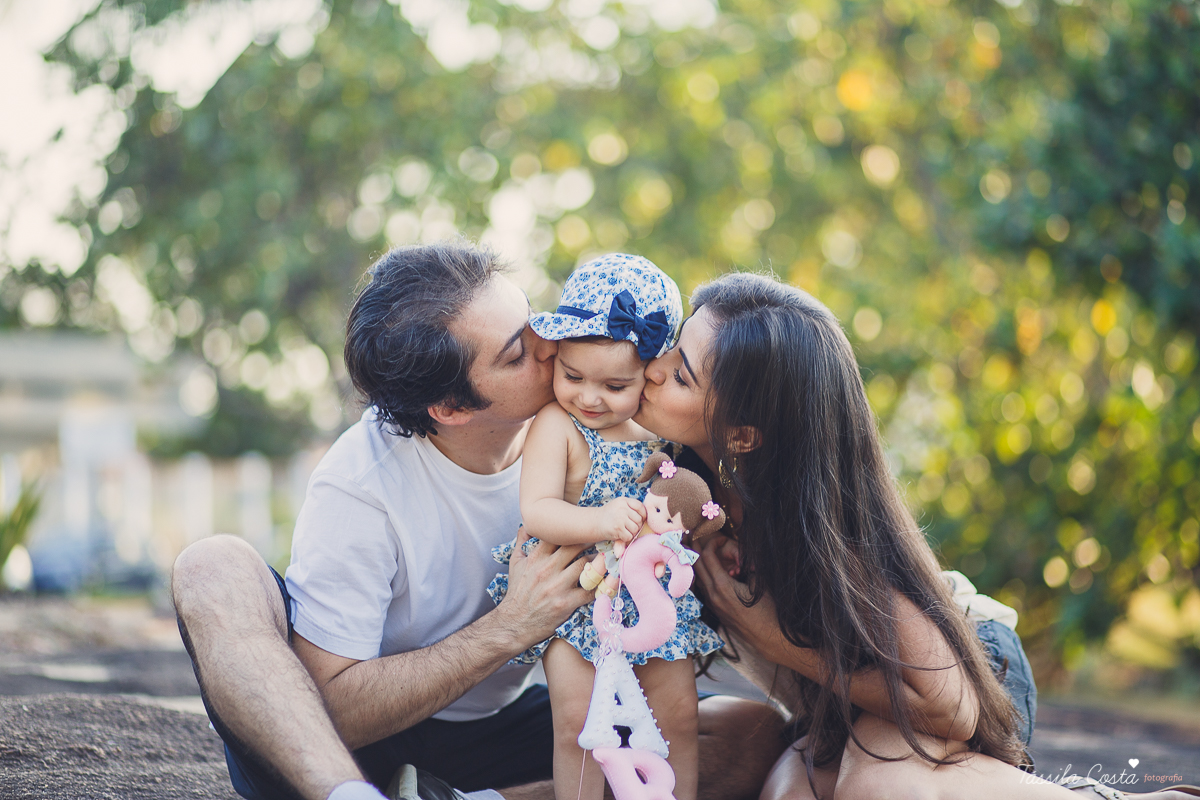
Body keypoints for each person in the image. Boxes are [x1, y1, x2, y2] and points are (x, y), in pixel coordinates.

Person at [170, 244, 786, 800]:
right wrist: (510, 627)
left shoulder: (595, 410)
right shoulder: (360, 484)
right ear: (452, 407)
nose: (554, 347)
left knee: (748, 732)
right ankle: (347, 798)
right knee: (210, 567)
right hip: (350, 742)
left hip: (498, 730)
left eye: (536, 320)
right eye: (519, 351)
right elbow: (336, 705)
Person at [632, 271, 1200, 800]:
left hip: (963, 670)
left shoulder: (815, 520)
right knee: (783, 786)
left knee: (874, 780)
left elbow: (950, 707)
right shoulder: (672, 480)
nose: (652, 370)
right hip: (842, 708)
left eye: (682, 373)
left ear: (744, 434)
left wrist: (772, 639)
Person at [487, 254, 723, 800]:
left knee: (678, 718)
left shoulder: (657, 432)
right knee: (580, 725)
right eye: (572, 377)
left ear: (651, 373)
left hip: (654, 598)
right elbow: (538, 511)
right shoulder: (557, 424)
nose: (589, 398)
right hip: (579, 598)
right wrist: (600, 519)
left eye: (615, 385)